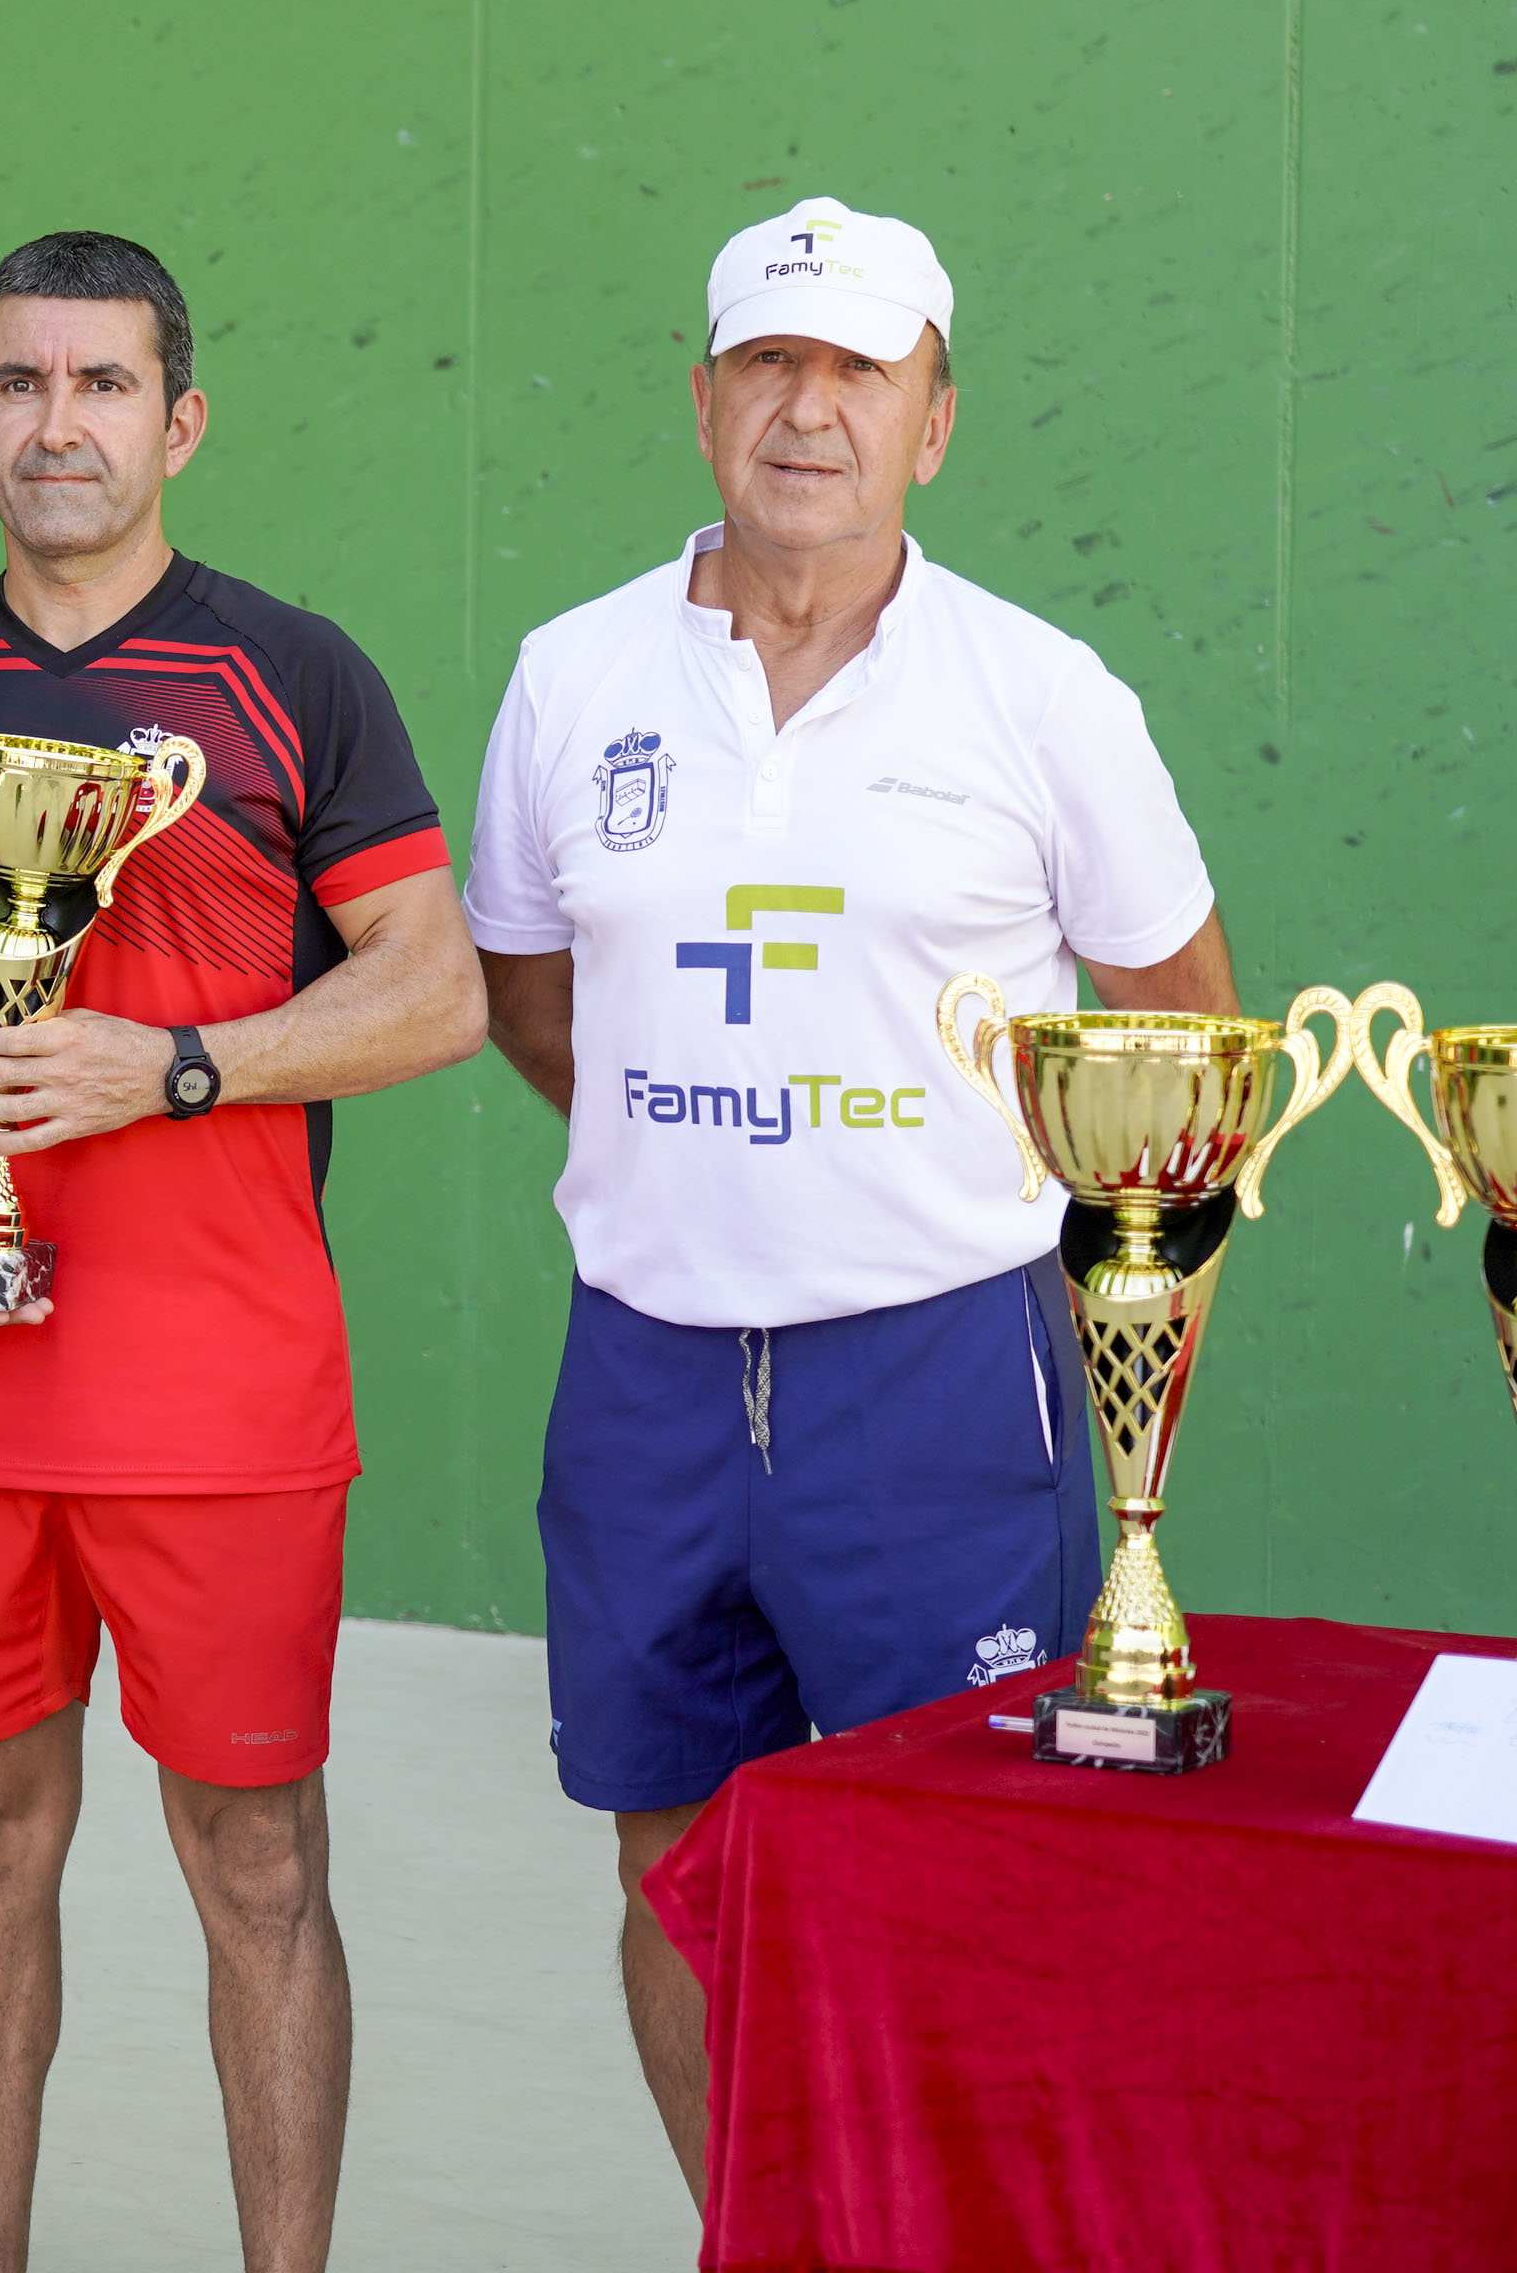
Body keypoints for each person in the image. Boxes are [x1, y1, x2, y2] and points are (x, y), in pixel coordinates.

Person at [464, 197, 1232, 2198]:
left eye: (859, 373)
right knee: (673, 1858)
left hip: (939, 1376)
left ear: (935, 422)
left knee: (965, 1870)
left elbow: (1182, 1034)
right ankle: (754, 2236)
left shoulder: (1042, 694)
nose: (809, 410)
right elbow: (533, 1001)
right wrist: (725, 1158)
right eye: (770, 364)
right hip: (644, 1372)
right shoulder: (568, 676)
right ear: (703, 398)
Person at [0, 230, 483, 2273]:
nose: (57, 422)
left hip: (223, 1393)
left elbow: (431, 990)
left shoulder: (293, 678)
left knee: (257, 1864)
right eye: (20, 382)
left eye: (102, 385)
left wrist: (171, 1066)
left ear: (181, 421)